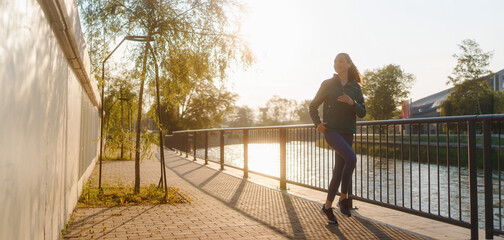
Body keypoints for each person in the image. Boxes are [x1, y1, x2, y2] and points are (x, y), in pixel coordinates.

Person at [309, 53, 366, 224]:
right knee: (351, 158)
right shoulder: (328, 84)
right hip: (332, 131)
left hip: (348, 132)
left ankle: (327, 207)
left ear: (348, 64)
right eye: (335, 61)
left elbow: (362, 113)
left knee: (338, 170)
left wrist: (352, 103)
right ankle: (343, 198)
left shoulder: (355, 88)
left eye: (341, 61)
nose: (337, 64)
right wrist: (317, 124)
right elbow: (313, 106)